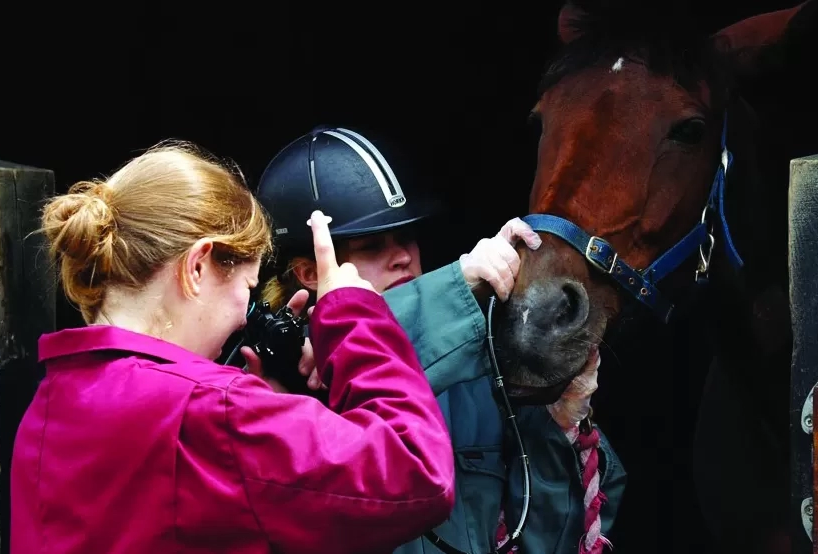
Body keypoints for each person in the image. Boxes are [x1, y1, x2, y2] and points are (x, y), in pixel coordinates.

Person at [8, 141, 457, 554]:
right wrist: (353, 315)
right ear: (197, 267)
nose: (246, 317)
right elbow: (418, 474)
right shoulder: (212, 409)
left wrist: (276, 410)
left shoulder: (50, 404)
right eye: (246, 287)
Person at [254, 126, 628, 554]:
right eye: (373, 246)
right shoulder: (274, 379)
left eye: (406, 237)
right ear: (309, 273)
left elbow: (552, 540)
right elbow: (347, 355)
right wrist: (457, 286)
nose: (404, 257)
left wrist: (556, 432)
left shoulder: (477, 378)